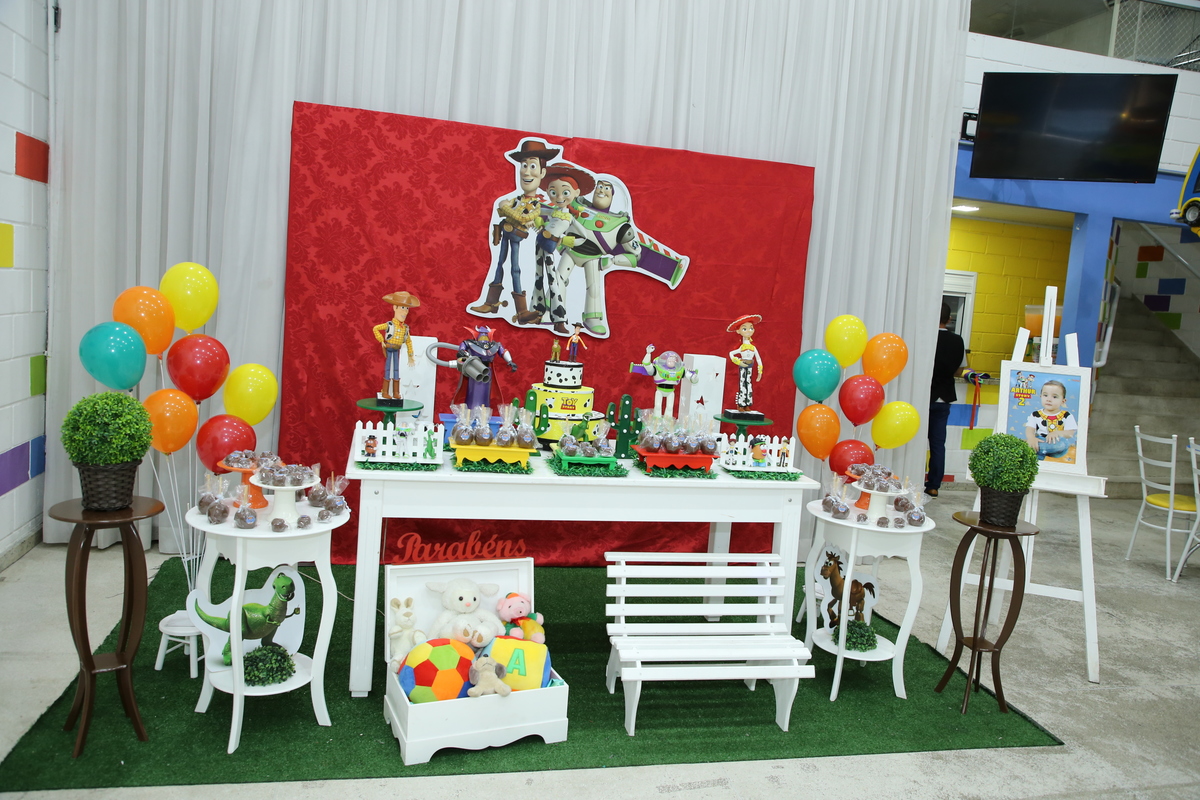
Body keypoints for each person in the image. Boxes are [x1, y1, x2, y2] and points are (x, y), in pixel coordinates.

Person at [471, 138, 560, 323]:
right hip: (505, 233)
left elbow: (523, 218)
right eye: (524, 165)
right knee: (499, 264)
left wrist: (507, 209)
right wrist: (508, 210)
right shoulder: (517, 199)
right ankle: (491, 302)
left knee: (516, 269)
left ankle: (522, 311)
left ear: (542, 172)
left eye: (532, 166)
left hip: (519, 238)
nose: (526, 171)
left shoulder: (537, 204)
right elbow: (502, 210)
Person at [926, 302, 964, 498]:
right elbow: (960, 369)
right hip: (944, 397)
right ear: (949, 319)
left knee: (915, 441)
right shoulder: (958, 341)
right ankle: (933, 485)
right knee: (938, 444)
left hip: (924, 395)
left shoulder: (925, 338)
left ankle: (912, 478)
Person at [372, 290, 420, 400]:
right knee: (388, 369)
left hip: (397, 350)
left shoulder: (405, 328)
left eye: (407, 308)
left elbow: (408, 341)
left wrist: (410, 354)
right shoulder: (389, 325)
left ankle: (396, 392)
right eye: (402, 308)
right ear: (395, 308)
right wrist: (381, 340)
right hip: (389, 348)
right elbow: (375, 328)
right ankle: (385, 392)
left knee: (396, 370)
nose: (405, 312)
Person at [1025, 379, 1077, 460]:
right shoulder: (1035, 414)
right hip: (1041, 440)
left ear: (1063, 401)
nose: (1048, 399)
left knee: (1061, 445)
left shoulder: (1066, 415)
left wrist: (1057, 433)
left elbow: (1070, 433)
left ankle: (1034, 449)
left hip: (1057, 443)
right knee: (1035, 442)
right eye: (1045, 395)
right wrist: (1031, 438)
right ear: (1041, 397)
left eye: (1054, 397)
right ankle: (1039, 453)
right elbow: (1030, 429)